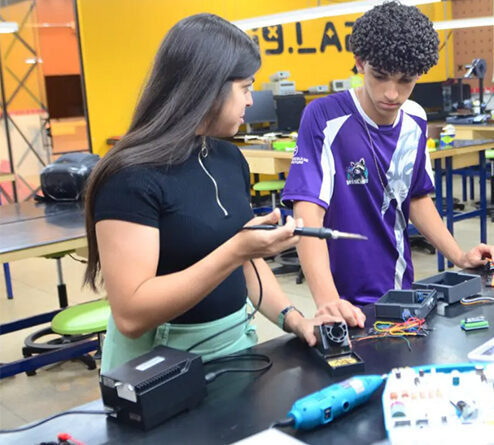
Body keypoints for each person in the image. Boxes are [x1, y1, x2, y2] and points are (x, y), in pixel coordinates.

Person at [84, 13, 337, 373]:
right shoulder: (130, 178)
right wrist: (236, 250)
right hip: (157, 370)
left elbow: (249, 263)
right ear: (208, 86)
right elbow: (131, 314)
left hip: (234, 351)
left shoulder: (228, 158)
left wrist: (295, 320)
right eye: (246, 88)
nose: (251, 101)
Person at [282, 1, 494, 328]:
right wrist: (328, 302)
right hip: (343, 300)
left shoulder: (415, 119)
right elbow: (308, 212)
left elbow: (415, 196)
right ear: (360, 63)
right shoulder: (325, 116)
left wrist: (459, 256)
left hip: (400, 292)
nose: (392, 93)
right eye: (380, 76)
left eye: (406, 80)